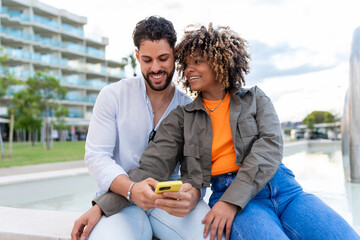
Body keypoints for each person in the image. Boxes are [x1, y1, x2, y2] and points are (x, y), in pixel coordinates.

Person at [75, 23, 360, 240]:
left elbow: (269, 149)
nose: (188, 71)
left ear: (219, 61)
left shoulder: (256, 100)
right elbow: (151, 166)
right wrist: (101, 206)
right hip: (237, 201)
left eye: (197, 62)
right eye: (186, 64)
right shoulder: (182, 116)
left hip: (284, 190)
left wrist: (230, 200)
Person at [71, 16, 212, 240]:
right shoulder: (112, 96)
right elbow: (97, 156)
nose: (155, 68)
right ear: (137, 56)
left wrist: (195, 194)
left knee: (213, 236)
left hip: (167, 202)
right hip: (119, 201)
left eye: (163, 58)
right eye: (147, 60)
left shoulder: (189, 107)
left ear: (175, 54)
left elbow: (195, 169)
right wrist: (130, 190)